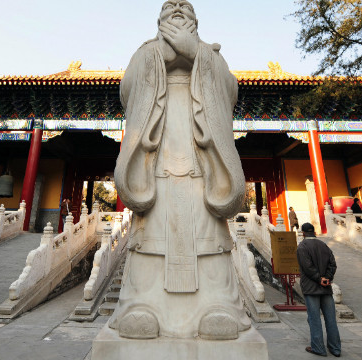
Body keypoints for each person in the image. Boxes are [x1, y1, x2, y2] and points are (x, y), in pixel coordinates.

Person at [111, 0, 249, 340]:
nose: (176, 10)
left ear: (196, 22)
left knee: (209, 235)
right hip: (155, 165)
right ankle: (141, 305)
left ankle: (217, 305)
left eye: (184, 9)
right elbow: (127, 92)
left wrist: (198, 56)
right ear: (158, 22)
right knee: (151, 235)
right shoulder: (145, 53)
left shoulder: (211, 56)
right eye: (169, 10)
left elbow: (230, 91)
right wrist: (158, 59)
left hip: (202, 166)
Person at [296, 223, 341, 357]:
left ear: (303, 233)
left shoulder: (302, 247)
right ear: (314, 232)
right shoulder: (324, 245)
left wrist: (318, 278)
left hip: (311, 289)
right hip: (326, 288)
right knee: (331, 319)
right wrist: (327, 278)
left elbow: (307, 267)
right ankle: (336, 349)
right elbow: (333, 264)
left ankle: (318, 348)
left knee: (314, 318)